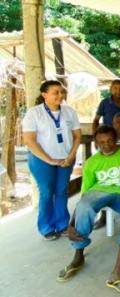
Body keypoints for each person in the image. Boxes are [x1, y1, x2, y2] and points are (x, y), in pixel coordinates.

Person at [57, 126, 120, 294]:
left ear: (116, 138)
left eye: (110, 140)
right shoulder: (91, 163)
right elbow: (84, 197)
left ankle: (119, 269)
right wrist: (71, 224)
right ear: (96, 143)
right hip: (99, 192)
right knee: (84, 205)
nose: (107, 145)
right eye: (102, 142)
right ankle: (78, 255)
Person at [23, 80, 81, 240]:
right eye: (55, 92)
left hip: (66, 159)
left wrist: (71, 156)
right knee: (47, 192)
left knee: (62, 191)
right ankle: (46, 227)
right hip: (42, 161)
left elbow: (77, 136)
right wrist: (49, 160)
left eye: (62, 92)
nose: (60, 95)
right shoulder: (34, 113)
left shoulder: (69, 112)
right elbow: (29, 140)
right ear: (44, 95)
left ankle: (62, 224)